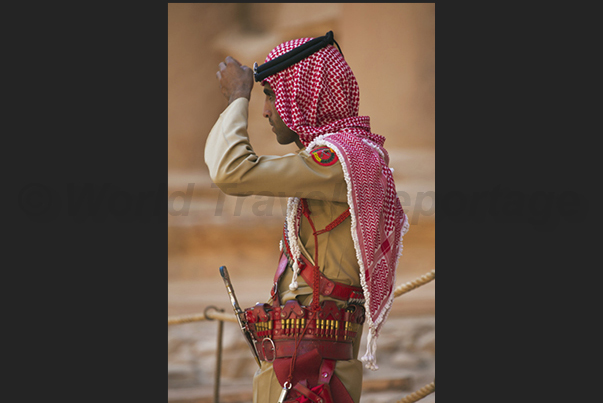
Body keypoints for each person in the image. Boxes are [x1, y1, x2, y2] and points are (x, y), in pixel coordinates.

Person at [205, 31, 409, 403]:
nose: (265, 110)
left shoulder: (339, 161)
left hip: (309, 368)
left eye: (270, 95)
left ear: (302, 97)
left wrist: (238, 96)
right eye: (264, 95)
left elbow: (230, 171)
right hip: (306, 360)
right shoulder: (354, 155)